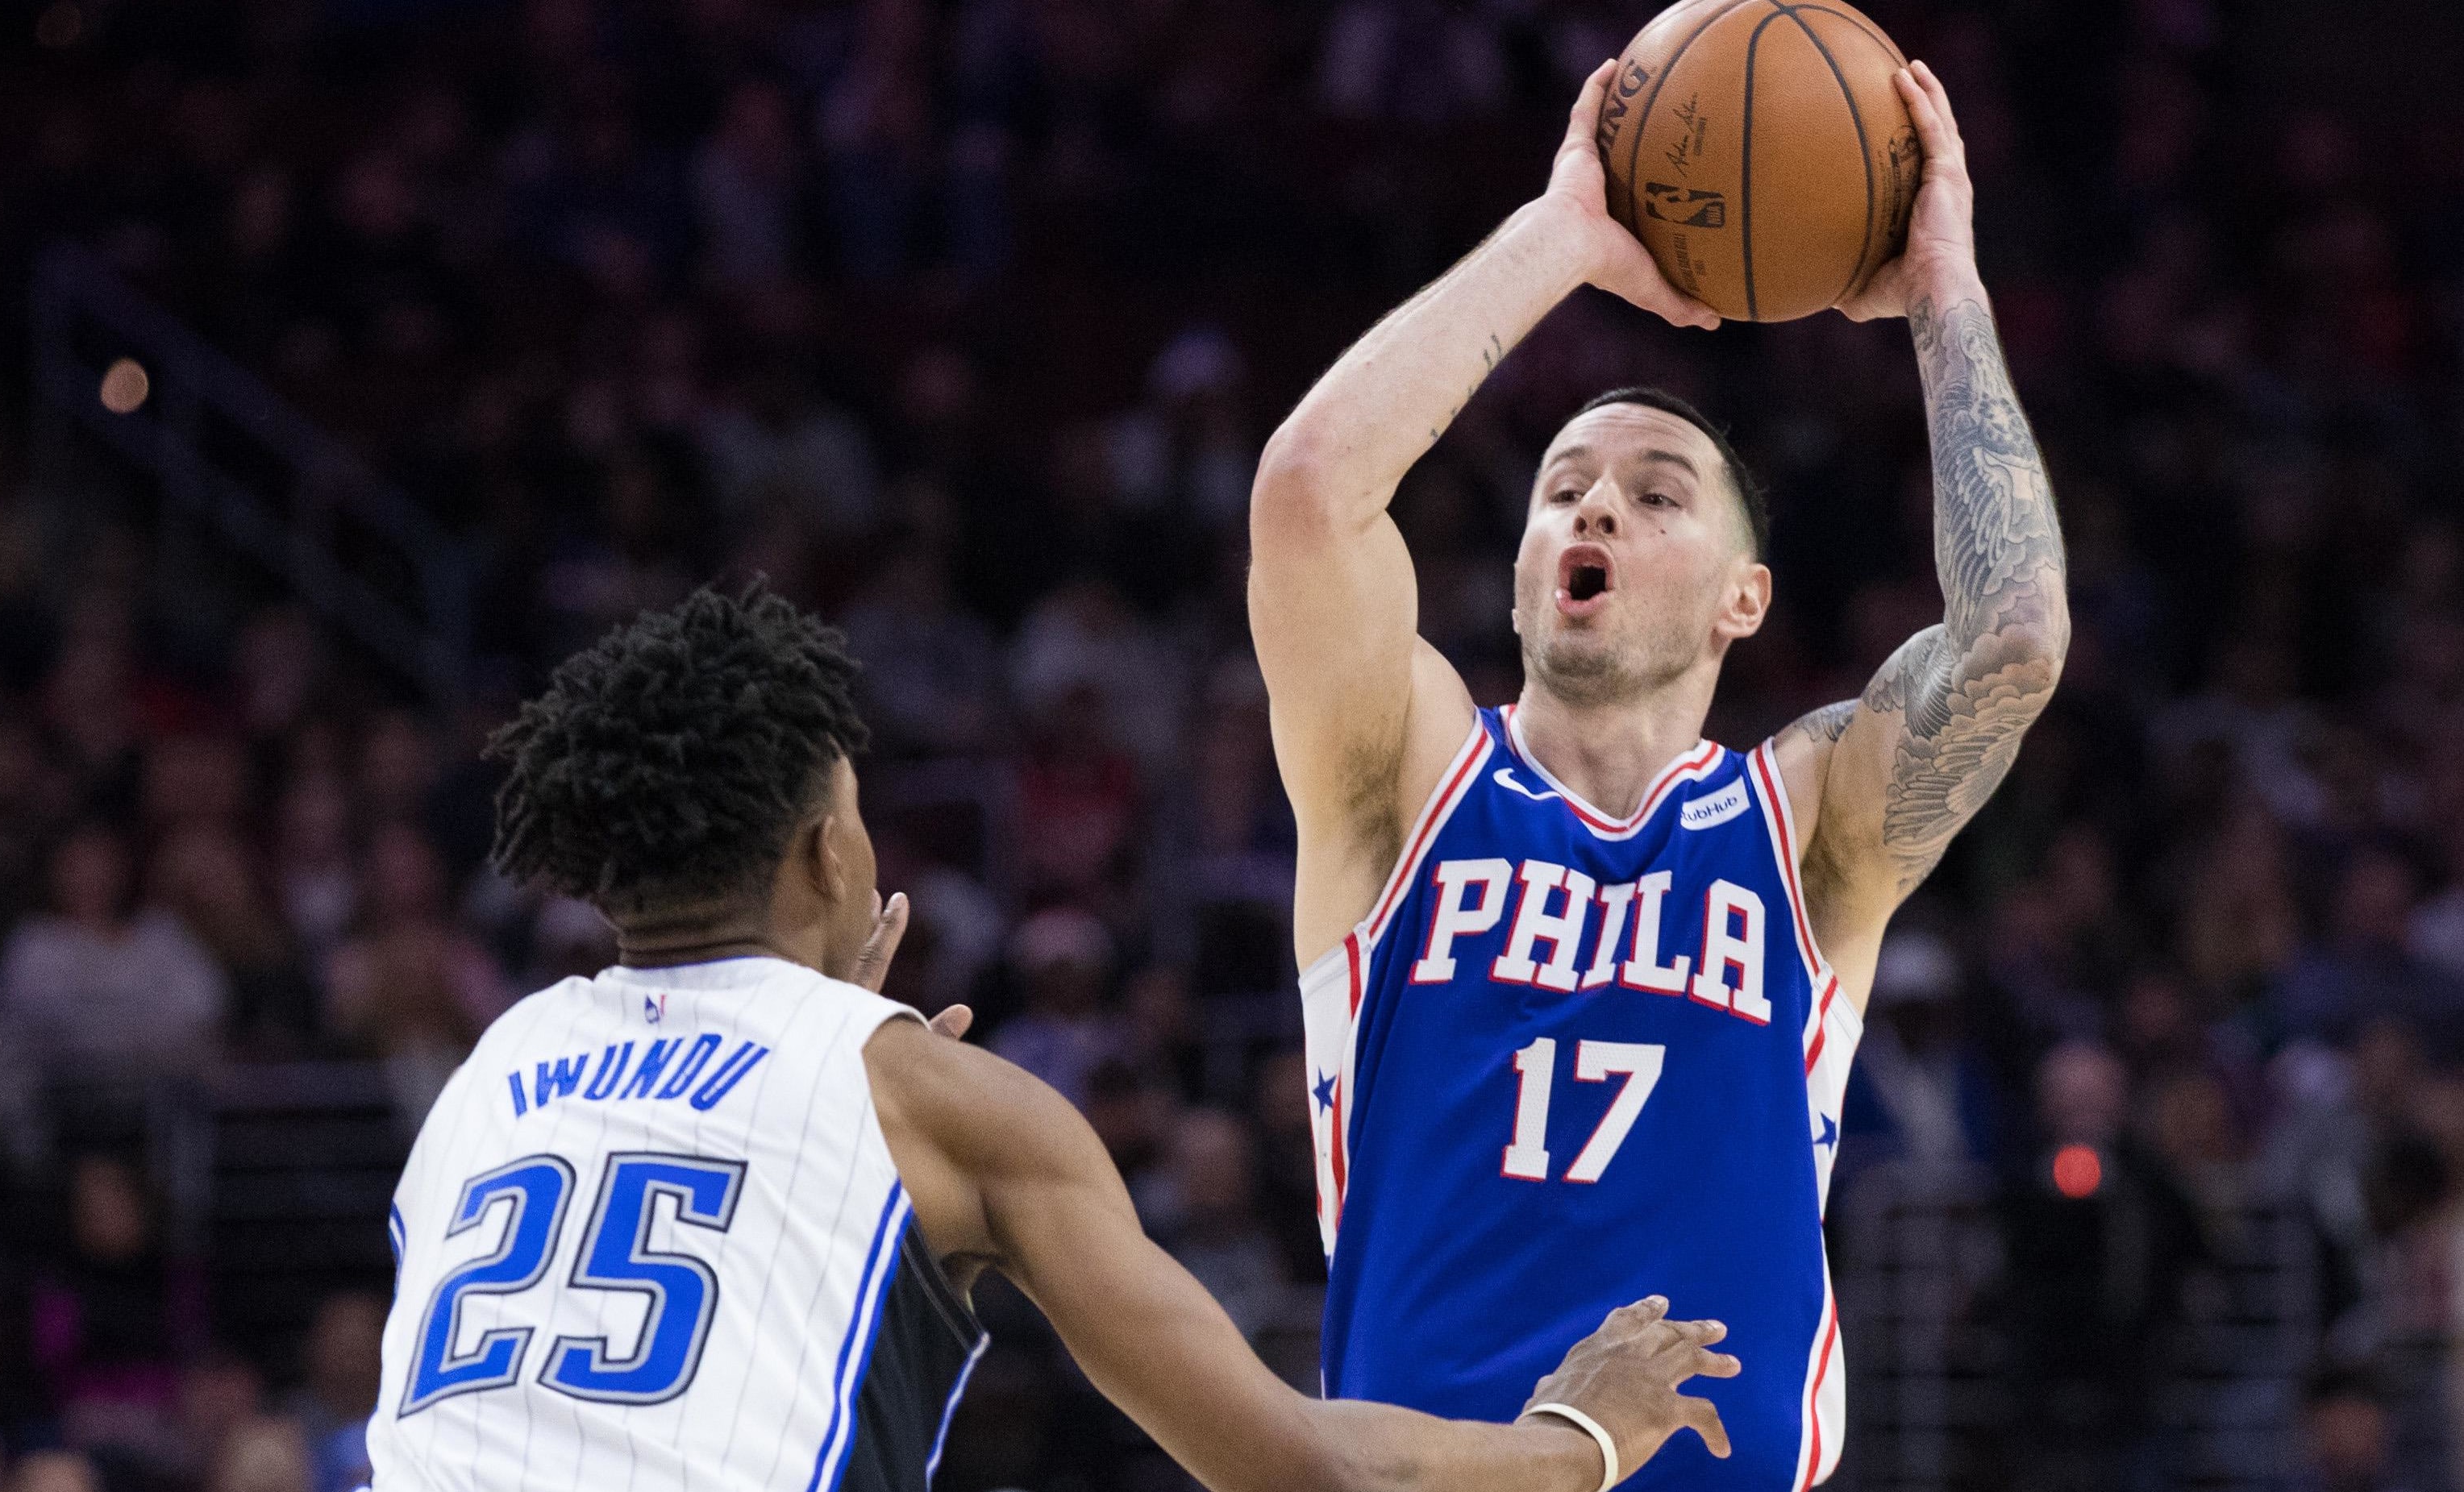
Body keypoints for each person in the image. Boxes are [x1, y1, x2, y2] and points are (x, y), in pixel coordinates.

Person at [364, 585, 1740, 1492]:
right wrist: (1579, 1441)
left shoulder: (490, 1074)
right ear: (828, 849)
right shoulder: (939, 1102)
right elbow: (1307, 1471)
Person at [1247, 60, 2067, 1490]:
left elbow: (2013, 640)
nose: (1598, 501)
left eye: (1656, 490)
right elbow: (1313, 495)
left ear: (1744, 600)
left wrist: (1944, 290)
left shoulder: (1803, 825)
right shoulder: (1405, 780)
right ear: (1517, 581)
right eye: (1563, 487)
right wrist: (1562, 235)